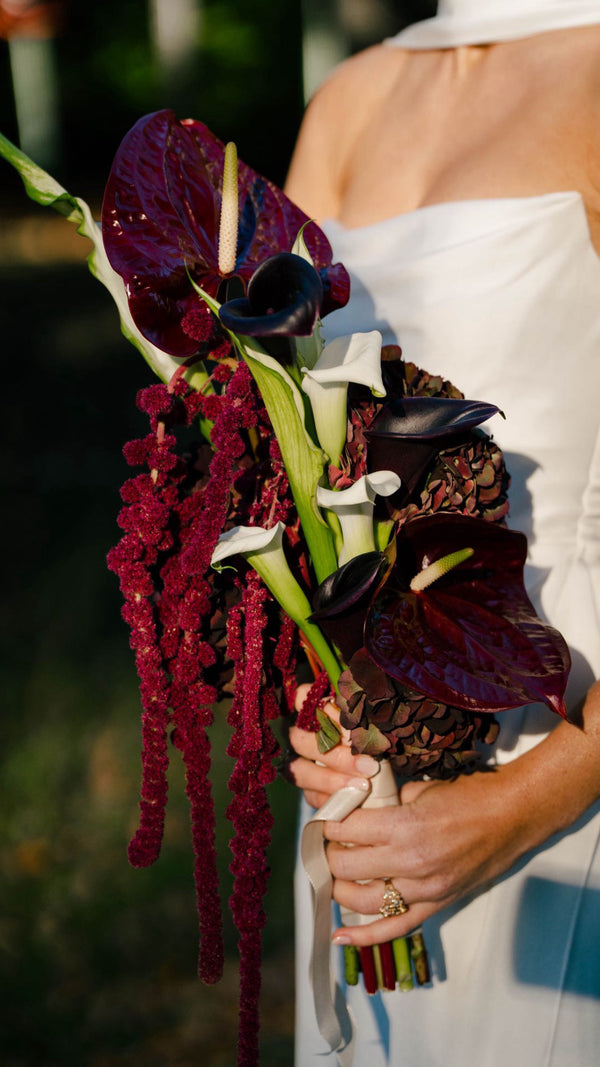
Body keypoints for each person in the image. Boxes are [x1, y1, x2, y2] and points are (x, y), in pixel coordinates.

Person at [284, 3, 600, 1064]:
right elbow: (289, 446)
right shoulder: (350, 99)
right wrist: (319, 695)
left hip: (566, 759)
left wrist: (516, 805)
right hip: (366, 768)